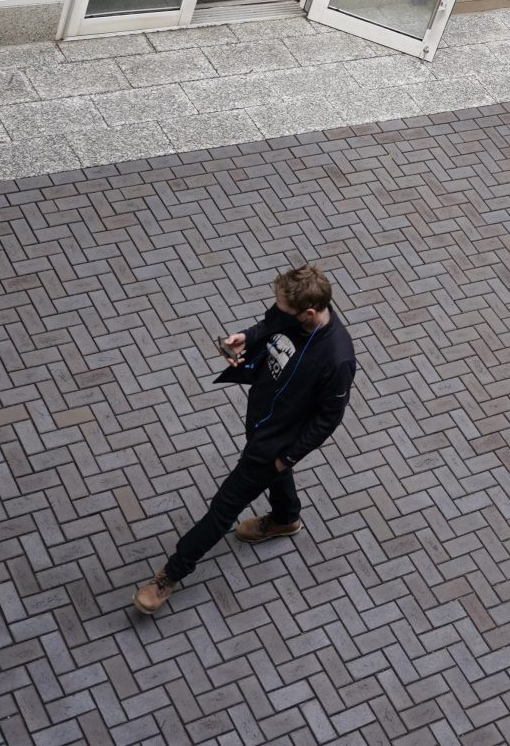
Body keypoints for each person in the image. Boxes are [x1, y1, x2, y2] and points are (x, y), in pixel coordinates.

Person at [133, 264, 356, 616]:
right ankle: (286, 518)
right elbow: (270, 326)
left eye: (283, 308)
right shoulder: (296, 312)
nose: (276, 309)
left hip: (275, 445)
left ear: (309, 313)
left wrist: (288, 457)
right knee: (272, 479)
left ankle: (170, 576)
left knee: (223, 509)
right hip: (262, 420)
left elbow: (328, 419)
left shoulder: (336, 358)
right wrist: (247, 337)